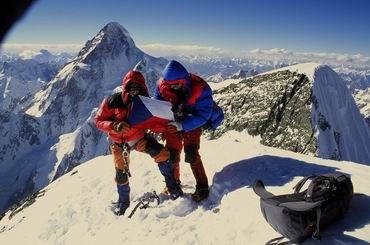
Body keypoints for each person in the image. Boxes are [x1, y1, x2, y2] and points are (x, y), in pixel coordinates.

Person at [95, 70, 183, 216]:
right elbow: (99, 121)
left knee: (162, 155)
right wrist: (115, 126)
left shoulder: (146, 104)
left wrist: (172, 122)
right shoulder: (112, 101)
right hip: (119, 142)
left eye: (137, 87)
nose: (134, 90)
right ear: (126, 87)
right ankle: (123, 201)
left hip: (139, 138)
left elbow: (155, 122)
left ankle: (173, 187)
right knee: (121, 173)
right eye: (131, 87)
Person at [155, 60, 219, 202]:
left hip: (191, 122)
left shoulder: (201, 88)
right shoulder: (162, 86)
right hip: (173, 122)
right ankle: (173, 184)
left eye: (176, 85)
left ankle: (202, 186)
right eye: (170, 85)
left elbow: (203, 115)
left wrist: (182, 125)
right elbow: (158, 106)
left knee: (191, 153)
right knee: (172, 155)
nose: (173, 88)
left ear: (184, 81)